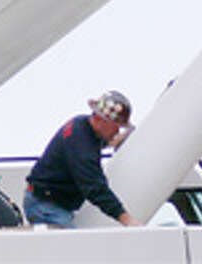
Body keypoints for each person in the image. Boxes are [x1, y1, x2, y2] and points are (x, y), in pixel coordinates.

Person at [23, 90, 139, 228]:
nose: (117, 132)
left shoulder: (82, 125)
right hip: (46, 207)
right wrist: (126, 220)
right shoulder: (82, 145)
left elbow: (92, 143)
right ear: (102, 121)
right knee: (73, 248)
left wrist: (114, 141)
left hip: (45, 200)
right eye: (116, 127)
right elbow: (95, 188)